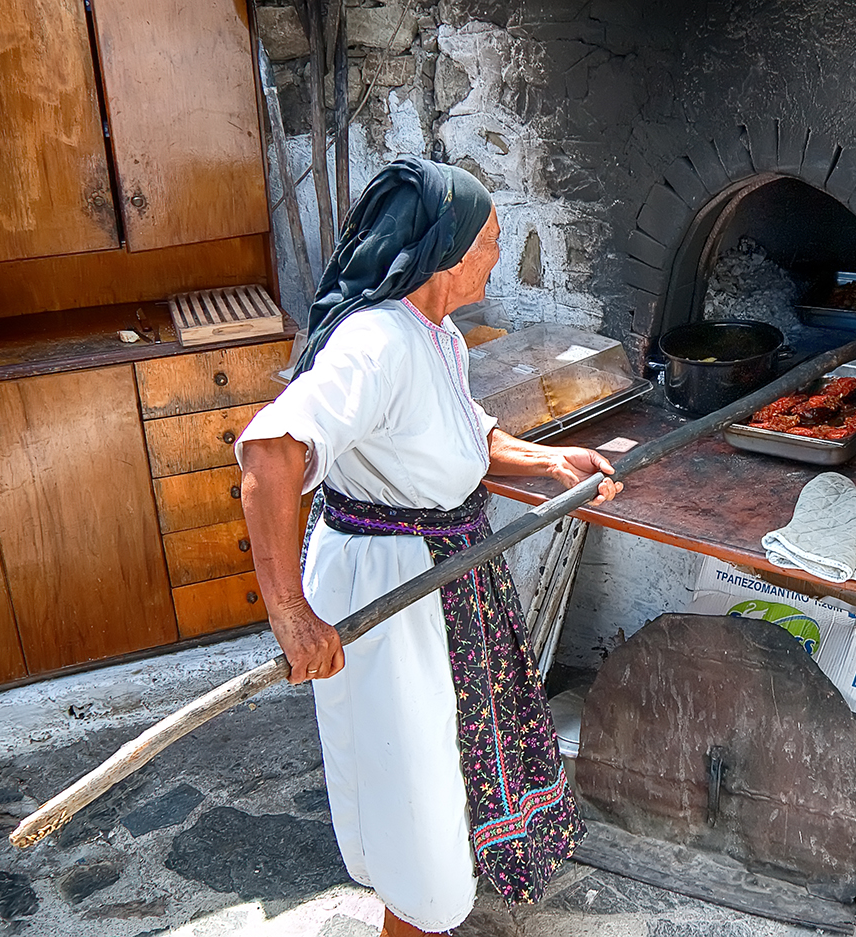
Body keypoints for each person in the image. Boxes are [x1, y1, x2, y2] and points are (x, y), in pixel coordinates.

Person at [235, 157, 621, 937]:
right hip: (389, 588)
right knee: (410, 779)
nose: (495, 259)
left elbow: (458, 430)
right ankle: (412, 921)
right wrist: (289, 613)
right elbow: (271, 452)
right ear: (442, 249)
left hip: (438, 576)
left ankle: (411, 914)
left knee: (435, 763)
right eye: (487, 242)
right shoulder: (374, 341)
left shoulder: (433, 333)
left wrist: (548, 460)